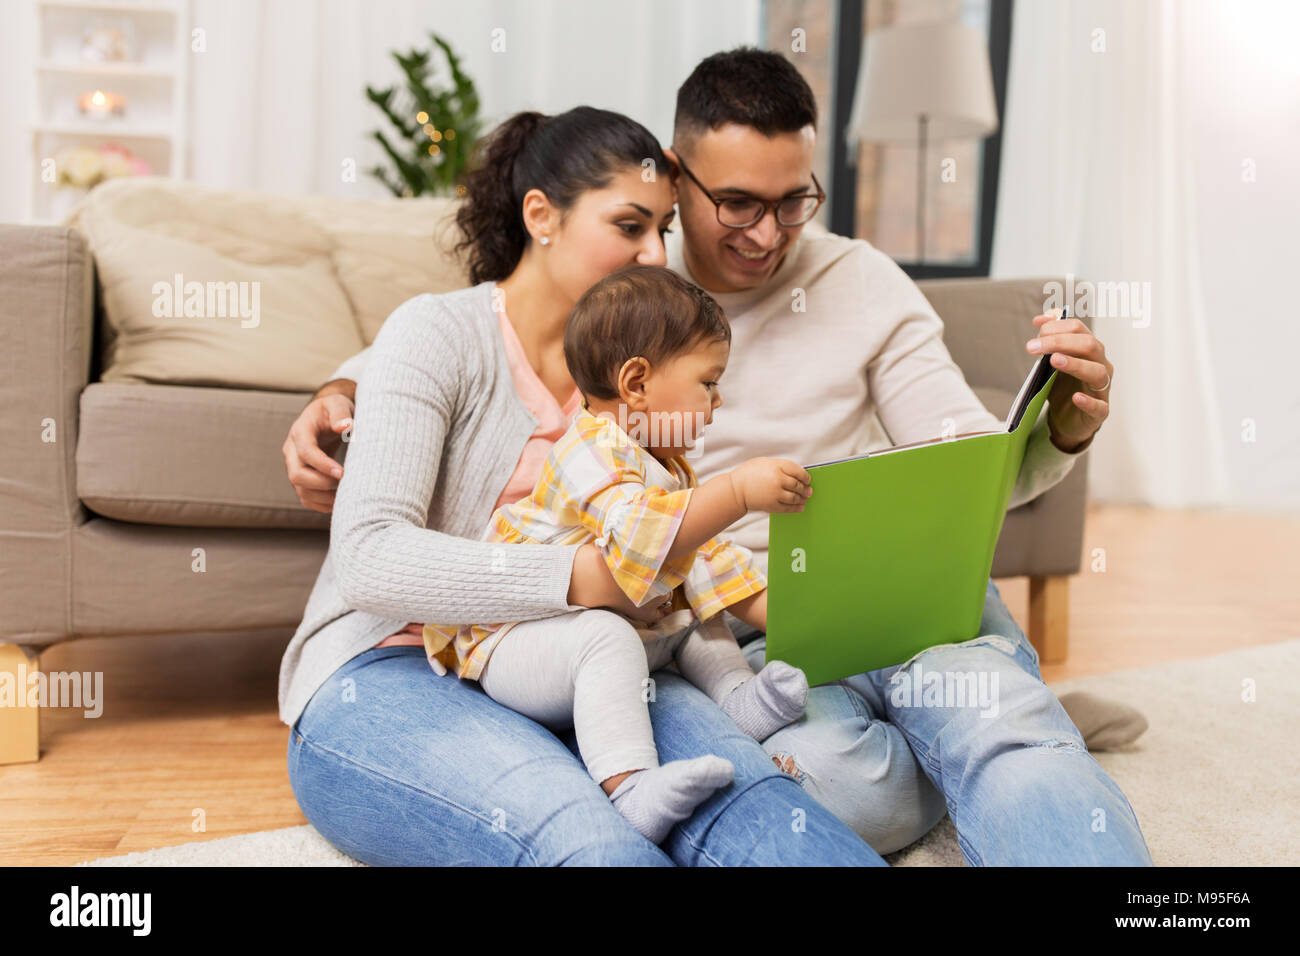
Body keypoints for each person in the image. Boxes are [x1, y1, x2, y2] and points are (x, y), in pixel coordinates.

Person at [286, 49, 1151, 865]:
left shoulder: (839, 286)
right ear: (676, 171)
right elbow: (449, 353)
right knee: (819, 795)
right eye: (735, 203)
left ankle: (1001, 734)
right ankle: (982, 735)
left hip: (831, 599)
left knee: (973, 733)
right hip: (689, 628)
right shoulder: (610, 326)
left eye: (792, 201)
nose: (765, 233)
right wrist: (339, 392)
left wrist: (1058, 430)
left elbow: (967, 456)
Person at [277, 104, 886, 866]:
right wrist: (586, 579)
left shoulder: (643, 388)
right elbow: (369, 558)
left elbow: (682, 533)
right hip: (391, 663)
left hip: (602, 653)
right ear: (542, 215)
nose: (656, 254)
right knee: (585, 835)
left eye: (663, 229)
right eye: (630, 227)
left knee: (751, 802)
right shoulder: (439, 334)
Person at [421, 265, 815, 845]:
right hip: (517, 643)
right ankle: (630, 787)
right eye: (708, 382)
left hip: (591, 637)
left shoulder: (667, 468)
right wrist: (736, 492)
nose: (718, 400)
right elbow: (640, 541)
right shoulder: (587, 450)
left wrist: (806, 623)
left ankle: (738, 700)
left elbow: (711, 566)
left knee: (694, 615)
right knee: (607, 635)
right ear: (636, 383)